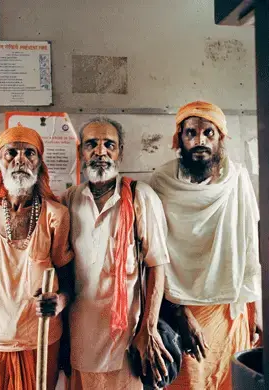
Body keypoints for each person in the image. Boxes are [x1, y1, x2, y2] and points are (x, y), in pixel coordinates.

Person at [151, 101, 262, 389]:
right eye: (191, 133)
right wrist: (179, 311)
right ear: (180, 139)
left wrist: (257, 308)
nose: (200, 141)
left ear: (220, 138)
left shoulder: (237, 179)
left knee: (230, 381)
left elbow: (251, 246)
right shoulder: (161, 183)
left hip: (230, 309)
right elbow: (154, 255)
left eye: (208, 133)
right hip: (182, 311)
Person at [0, 124, 74, 390]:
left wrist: (61, 301)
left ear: (39, 164)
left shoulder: (56, 215)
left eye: (29, 153)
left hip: (40, 342)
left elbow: (69, 282)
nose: (20, 159)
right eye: (11, 153)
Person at [61, 117, 172, 390]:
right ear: (81, 153)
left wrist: (149, 328)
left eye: (109, 144)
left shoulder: (140, 197)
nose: (100, 152)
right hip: (79, 340)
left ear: (120, 152)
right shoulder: (68, 201)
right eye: (92, 144)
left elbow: (158, 265)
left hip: (126, 342)